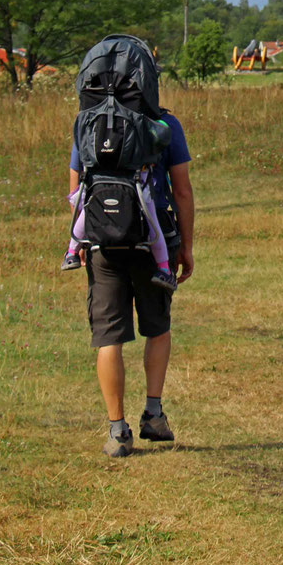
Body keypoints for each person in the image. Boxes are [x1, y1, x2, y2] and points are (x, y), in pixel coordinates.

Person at [68, 103, 195, 458]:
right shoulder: (164, 122)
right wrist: (185, 246)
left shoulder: (86, 121)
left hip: (101, 243)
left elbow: (76, 188)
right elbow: (181, 189)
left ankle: (117, 431)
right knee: (157, 328)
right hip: (153, 241)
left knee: (109, 336)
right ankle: (153, 414)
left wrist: (79, 239)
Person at [62, 161, 177, 293]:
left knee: (88, 209)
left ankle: (71, 253)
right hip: (137, 179)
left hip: (98, 180)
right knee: (152, 221)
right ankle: (163, 268)